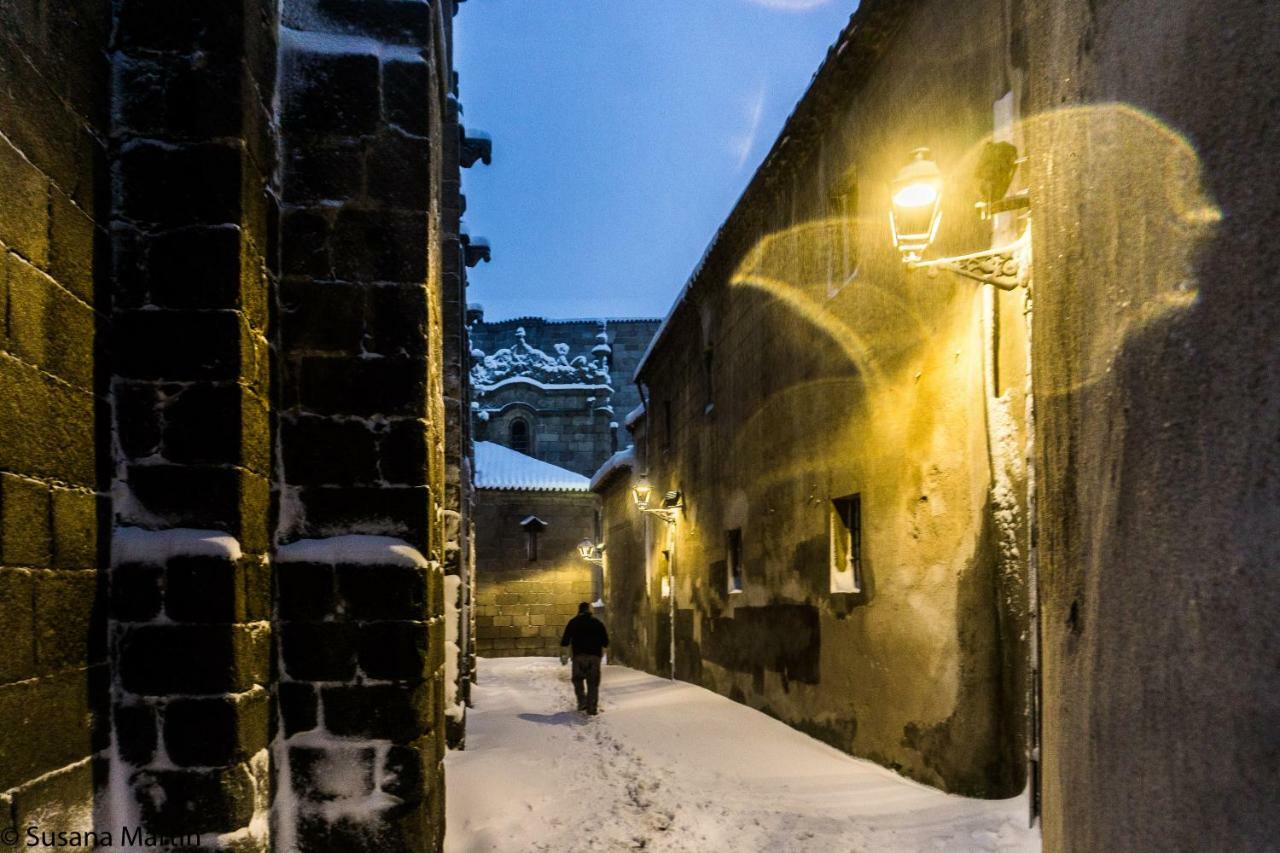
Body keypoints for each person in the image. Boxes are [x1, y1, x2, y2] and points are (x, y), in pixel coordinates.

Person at [559, 602, 609, 715]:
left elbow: (565, 640)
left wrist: (564, 654)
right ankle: (591, 707)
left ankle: (582, 701)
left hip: (578, 656)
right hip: (594, 656)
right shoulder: (597, 623)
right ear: (589, 610)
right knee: (593, 682)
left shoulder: (573, 622)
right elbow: (605, 642)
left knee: (577, 679)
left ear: (579, 610)